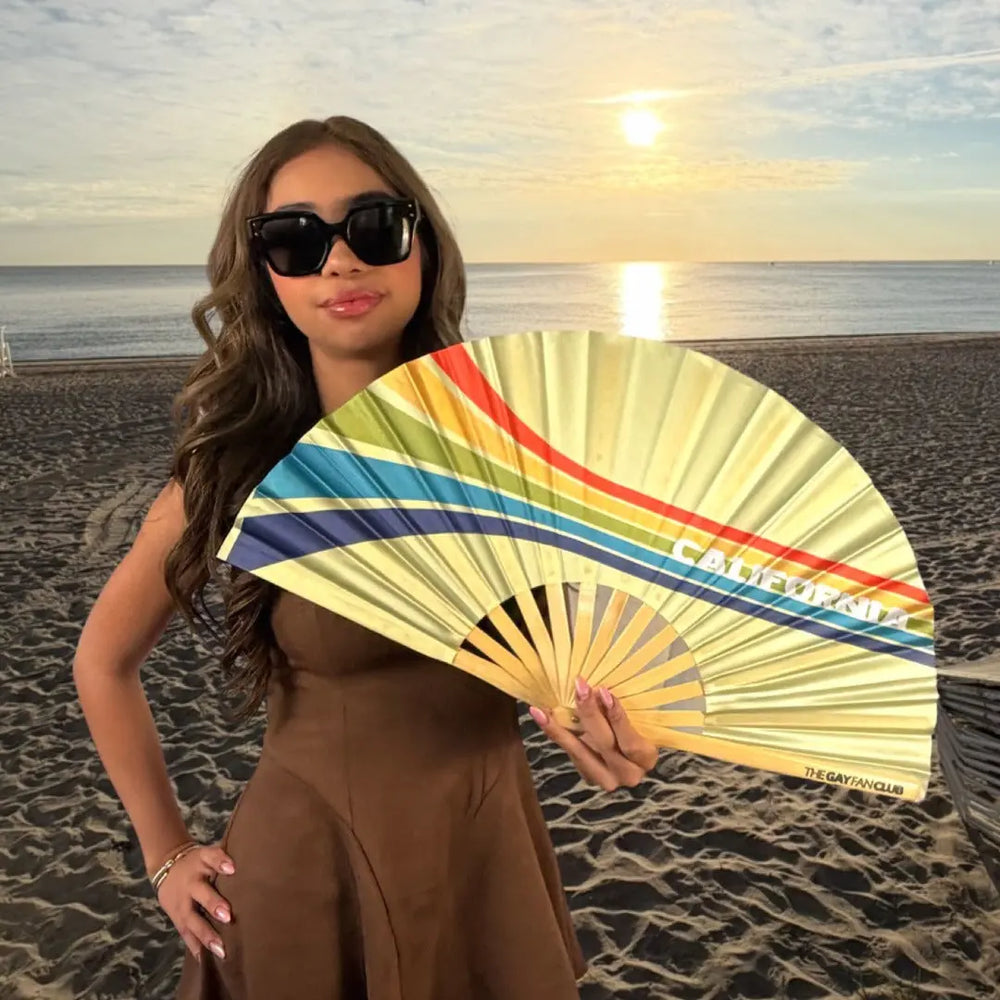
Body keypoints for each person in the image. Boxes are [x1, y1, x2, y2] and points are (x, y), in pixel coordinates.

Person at [73, 115, 659, 1000]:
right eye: (295, 239)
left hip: (487, 857)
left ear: (421, 243)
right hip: (313, 873)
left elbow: (581, 652)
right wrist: (166, 854)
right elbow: (103, 662)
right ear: (266, 276)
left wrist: (615, 727)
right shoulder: (242, 471)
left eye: (373, 227)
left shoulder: (512, 453)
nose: (339, 262)